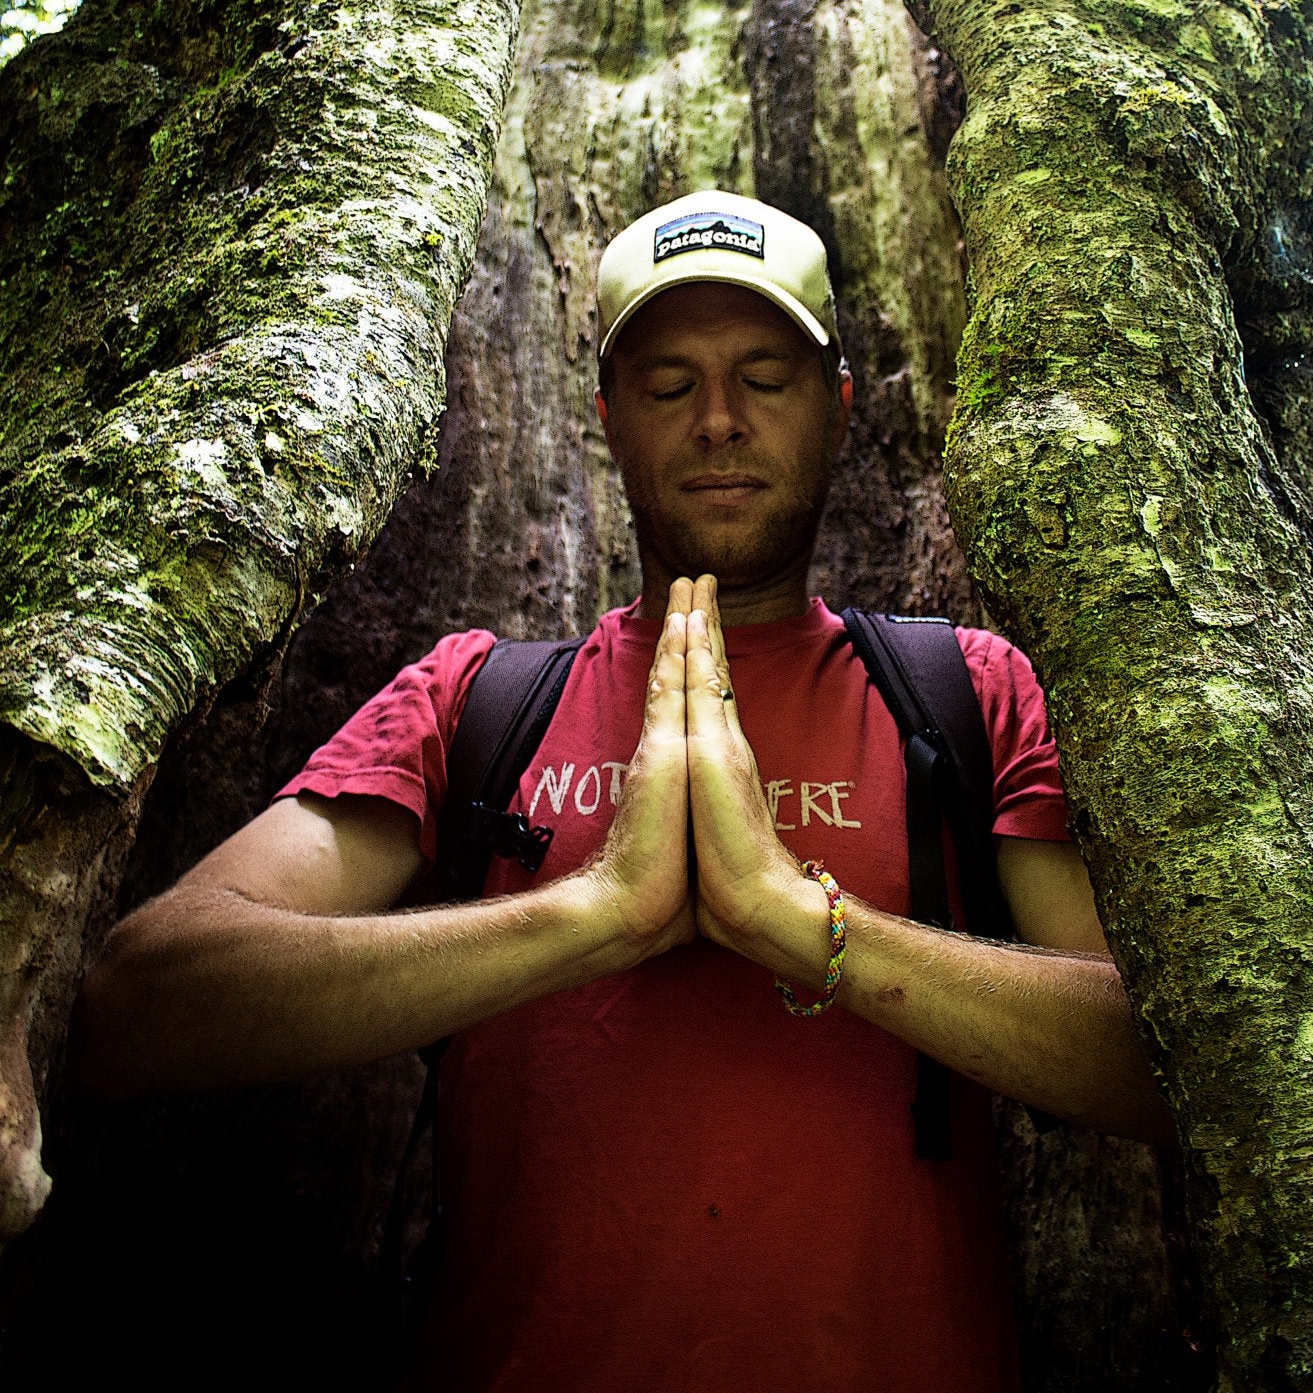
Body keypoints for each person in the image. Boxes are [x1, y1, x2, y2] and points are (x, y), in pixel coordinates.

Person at [75, 188, 1172, 1392]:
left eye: (765, 374)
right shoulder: (473, 702)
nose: (717, 420)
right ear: (606, 416)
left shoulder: (966, 692)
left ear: (839, 406)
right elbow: (139, 1002)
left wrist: (791, 921)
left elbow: (1164, 1062)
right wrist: (600, 912)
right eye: (665, 384)